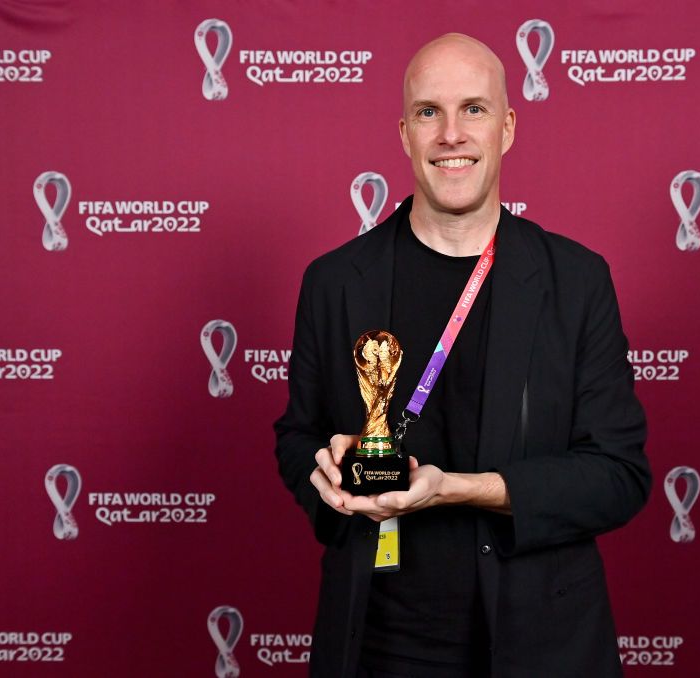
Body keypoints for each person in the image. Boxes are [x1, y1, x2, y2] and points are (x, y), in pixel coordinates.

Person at [274, 33, 650, 678]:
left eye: (473, 109)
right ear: (403, 134)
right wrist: (327, 473)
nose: (451, 134)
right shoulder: (335, 280)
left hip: (540, 645)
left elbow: (618, 477)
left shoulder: (576, 280)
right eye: (429, 112)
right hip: (377, 644)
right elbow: (295, 437)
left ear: (505, 128)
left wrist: (457, 490)